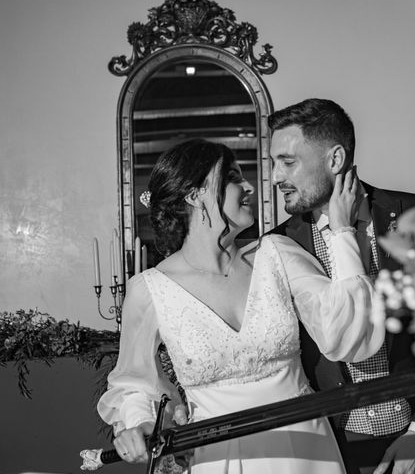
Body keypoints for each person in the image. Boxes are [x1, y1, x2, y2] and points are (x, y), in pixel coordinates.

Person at [97, 139, 385, 473]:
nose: (248, 186)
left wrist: (343, 230)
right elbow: (135, 383)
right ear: (195, 195)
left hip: (305, 448)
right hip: (218, 459)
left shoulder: (277, 253)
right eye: (233, 176)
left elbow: (349, 334)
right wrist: (140, 422)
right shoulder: (149, 289)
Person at [268, 98, 415, 474]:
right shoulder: (282, 244)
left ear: (335, 160)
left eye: (287, 162)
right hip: (331, 446)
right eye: (273, 163)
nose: (275, 177)